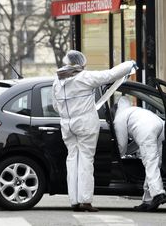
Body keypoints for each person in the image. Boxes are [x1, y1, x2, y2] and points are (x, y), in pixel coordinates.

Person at [52, 50, 136, 212]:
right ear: (80, 63)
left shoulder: (57, 80)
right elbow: (110, 75)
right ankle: (85, 200)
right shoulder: (84, 77)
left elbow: (56, 106)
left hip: (67, 125)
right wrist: (129, 65)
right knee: (86, 161)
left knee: (72, 160)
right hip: (85, 124)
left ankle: (74, 200)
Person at [113, 96, 166, 212]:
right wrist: (128, 151)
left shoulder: (119, 118)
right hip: (160, 126)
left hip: (147, 130)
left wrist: (116, 155)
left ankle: (158, 193)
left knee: (150, 163)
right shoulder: (134, 111)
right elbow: (137, 142)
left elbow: (122, 145)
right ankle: (147, 201)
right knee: (154, 164)